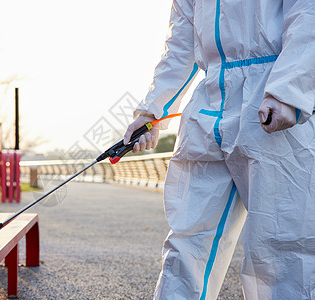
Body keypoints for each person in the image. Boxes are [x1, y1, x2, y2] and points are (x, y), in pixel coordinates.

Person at [123, 0, 315, 299]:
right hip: (209, 104)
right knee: (187, 240)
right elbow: (180, 45)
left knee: (283, 245)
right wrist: (151, 112)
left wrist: (287, 89)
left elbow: (308, 15)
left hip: (271, 98)